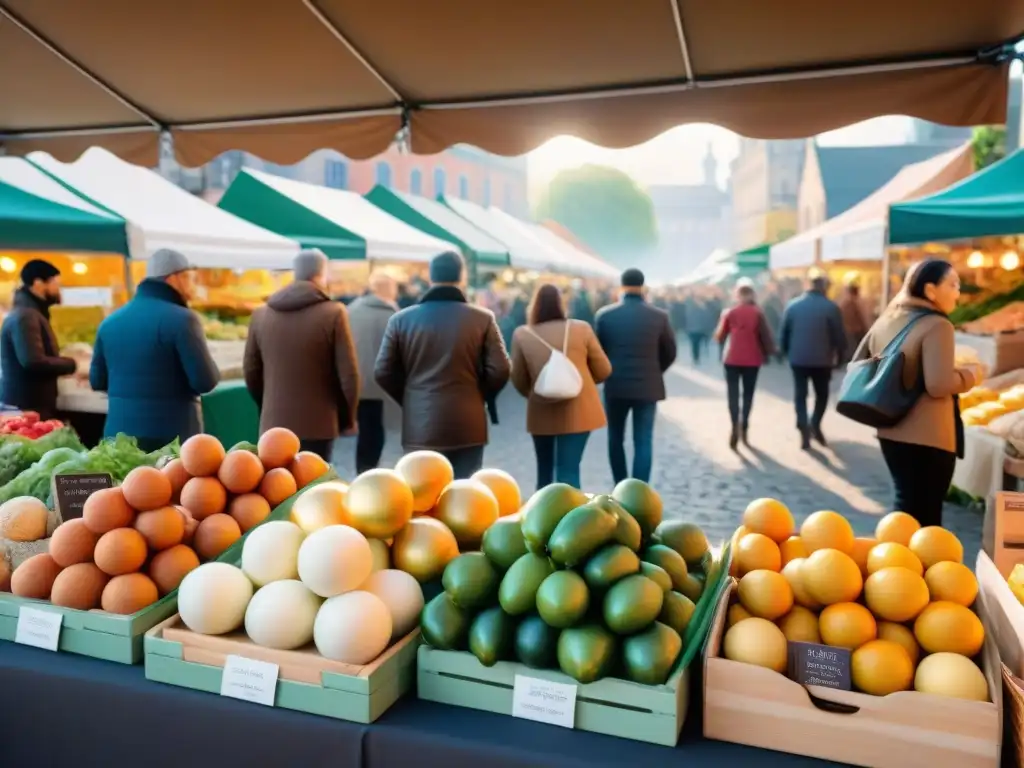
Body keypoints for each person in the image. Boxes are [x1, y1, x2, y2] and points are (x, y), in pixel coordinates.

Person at [850, 260, 980, 527]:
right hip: (929, 437)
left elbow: (858, 360)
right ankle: (919, 567)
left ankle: (895, 562)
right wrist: (972, 374)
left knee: (905, 507)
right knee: (927, 517)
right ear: (930, 290)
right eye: (953, 284)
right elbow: (938, 385)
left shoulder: (888, 317)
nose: (958, 292)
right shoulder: (937, 325)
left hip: (890, 430)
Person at [375, 251, 510, 478]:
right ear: (462, 277)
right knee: (464, 497)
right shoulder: (483, 318)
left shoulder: (401, 320)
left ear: (430, 277)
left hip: (421, 422)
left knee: (422, 496)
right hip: (468, 422)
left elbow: (383, 372)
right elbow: (501, 369)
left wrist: (411, 395)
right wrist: (479, 394)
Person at [91, 249, 220, 450]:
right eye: (191, 278)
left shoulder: (109, 323)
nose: (194, 285)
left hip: (119, 438)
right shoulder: (183, 319)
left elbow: (97, 381)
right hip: (171, 440)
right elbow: (205, 381)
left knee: (124, 482)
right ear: (176, 278)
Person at [243, 249, 359, 463]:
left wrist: (269, 404)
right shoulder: (334, 312)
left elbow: (251, 371)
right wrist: (346, 419)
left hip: (273, 422)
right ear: (321, 274)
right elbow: (348, 375)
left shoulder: (260, 314)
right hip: (320, 423)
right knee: (313, 489)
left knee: (278, 488)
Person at [511, 284, 612, 490]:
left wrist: (538, 393)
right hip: (579, 409)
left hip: (541, 410)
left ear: (534, 305)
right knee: (569, 470)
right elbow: (603, 370)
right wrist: (579, 383)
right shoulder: (581, 329)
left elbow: (518, 378)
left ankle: (541, 519)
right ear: (561, 303)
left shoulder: (522, 334)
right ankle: (572, 519)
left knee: (544, 470)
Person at [595, 269, 677, 484]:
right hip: (648, 387)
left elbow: (598, 353)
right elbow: (670, 352)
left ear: (621, 286)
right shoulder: (659, 316)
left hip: (616, 386)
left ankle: (620, 485)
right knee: (643, 441)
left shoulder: (605, 316)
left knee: (615, 439)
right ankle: (639, 491)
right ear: (643, 286)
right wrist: (654, 370)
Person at [0, 260, 76, 419]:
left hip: (30, 404)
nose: (58, 290)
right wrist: (73, 364)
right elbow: (33, 361)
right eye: (56, 283)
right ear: (38, 283)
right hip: (29, 408)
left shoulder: (28, 312)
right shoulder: (26, 316)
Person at [780, 272, 846, 450]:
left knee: (800, 394)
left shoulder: (792, 306)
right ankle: (815, 423)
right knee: (821, 394)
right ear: (824, 287)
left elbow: (784, 333)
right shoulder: (831, 307)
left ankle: (803, 428)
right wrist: (840, 358)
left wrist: (785, 353)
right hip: (822, 360)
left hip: (798, 359)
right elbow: (839, 336)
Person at [715, 279, 775, 450]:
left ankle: (734, 425)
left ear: (737, 295)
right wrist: (769, 353)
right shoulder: (757, 312)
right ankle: (745, 426)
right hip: (752, 359)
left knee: (732, 395)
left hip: (732, 358)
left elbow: (719, 336)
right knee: (748, 394)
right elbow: (766, 336)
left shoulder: (730, 312)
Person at [347, 270, 398, 473]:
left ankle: (363, 471)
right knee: (374, 431)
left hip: (355, 382)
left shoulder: (350, 311)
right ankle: (368, 472)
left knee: (365, 429)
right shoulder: (394, 315)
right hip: (381, 385)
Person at [839, 278, 871, 363]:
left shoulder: (844, 303)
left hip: (848, 332)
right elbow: (862, 319)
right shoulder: (857, 302)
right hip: (856, 333)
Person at [682, 292, 716, 364]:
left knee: (698, 343)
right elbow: (686, 317)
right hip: (694, 329)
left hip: (699, 328)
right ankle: (696, 357)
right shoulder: (692, 307)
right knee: (695, 344)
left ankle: (698, 355)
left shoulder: (704, 307)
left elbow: (709, 318)